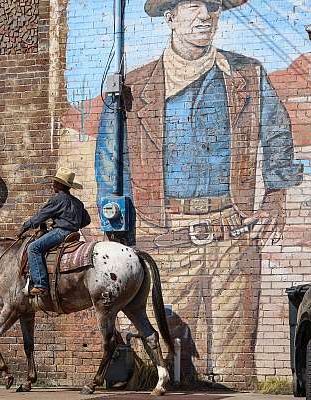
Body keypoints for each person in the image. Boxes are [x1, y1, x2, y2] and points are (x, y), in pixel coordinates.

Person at [64, 0, 303, 383]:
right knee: (171, 357)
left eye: (213, 7)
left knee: (235, 366)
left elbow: (276, 130)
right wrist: (118, 231)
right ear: (171, 17)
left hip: (234, 236)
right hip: (164, 239)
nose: (204, 15)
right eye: (193, 6)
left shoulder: (247, 74)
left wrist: (275, 194)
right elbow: (110, 158)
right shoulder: (135, 85)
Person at [17, 167, 91, 296]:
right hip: (74, 233)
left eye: (55, 182)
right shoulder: (77, 202)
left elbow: (41, 215)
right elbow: (86, 220)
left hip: (61, 232)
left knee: (34, 248)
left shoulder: (57, 199)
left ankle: (41, 285)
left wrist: (25, 227)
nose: (53, 185)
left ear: (60, 185)